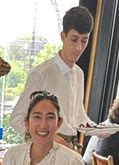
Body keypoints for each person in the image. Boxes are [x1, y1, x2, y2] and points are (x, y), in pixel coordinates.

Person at [10, 6, 95, 148]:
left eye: (84, 41)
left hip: (71, 147)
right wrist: (50, 138)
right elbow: (17, 119)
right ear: (63, 36)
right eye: (74, 39)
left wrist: (99, 129)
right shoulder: (42, 73)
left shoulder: (79, 74)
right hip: (45, 148)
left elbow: (79, 117)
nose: (79, 47)